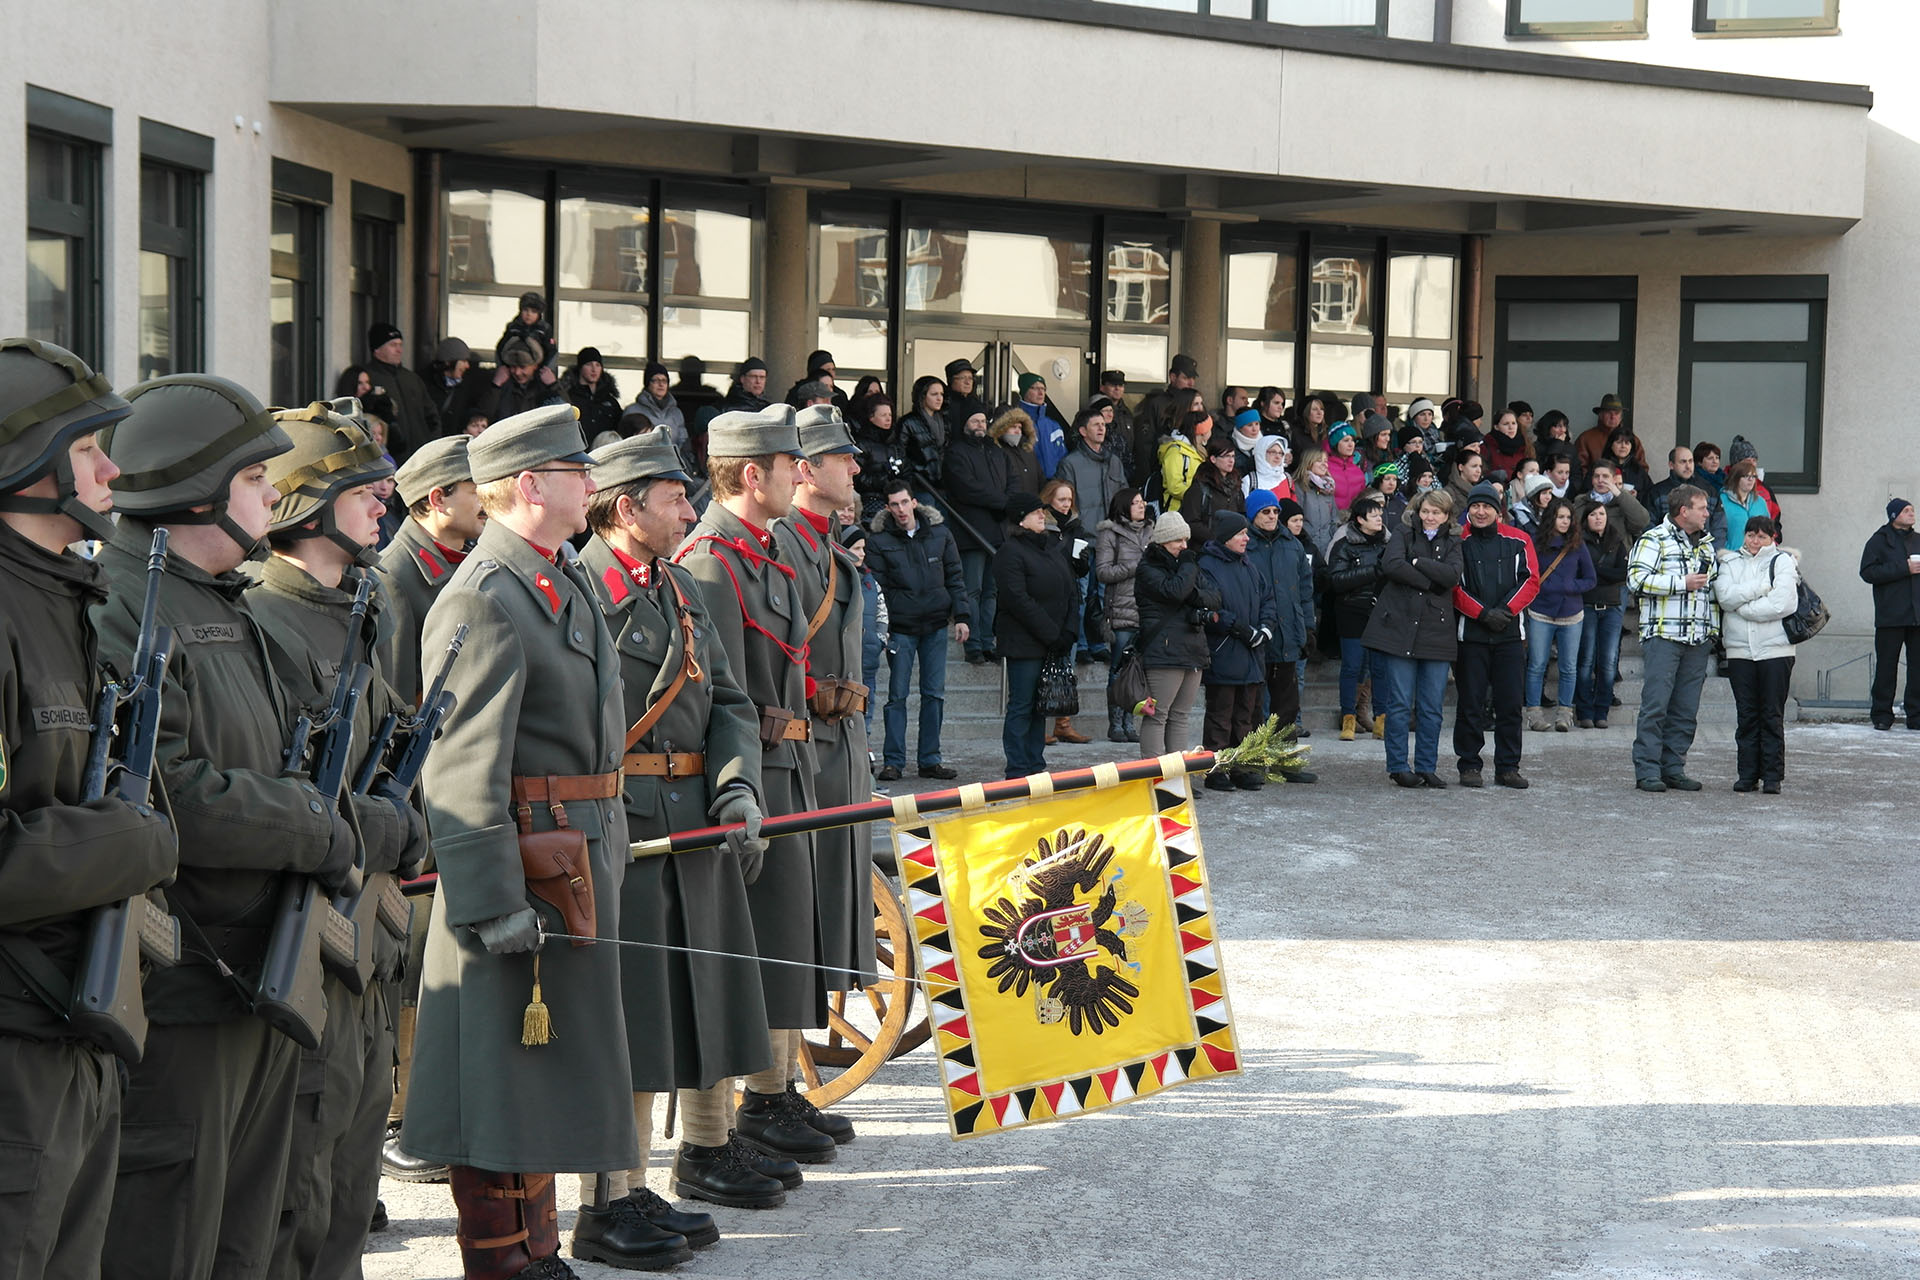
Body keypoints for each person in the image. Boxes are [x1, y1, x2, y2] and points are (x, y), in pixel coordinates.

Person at [94, 374, 351, 1280]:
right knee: (168, 1239)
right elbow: (166, 789)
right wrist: (317, 824)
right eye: (251, 478)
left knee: (252, 1237)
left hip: (261, 974)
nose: (270, 496)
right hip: (185, 990)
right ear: (193, 486)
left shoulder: (219, 599)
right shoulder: (125, 603)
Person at [0, 340, 177, 1280]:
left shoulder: (65, 594)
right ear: (23, 461)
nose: (111, 472)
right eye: (86, 450)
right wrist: (130, 839)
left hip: (80, 1020)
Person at [577, 427, 773, 1261]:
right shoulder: (580, 592)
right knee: (632, 1019)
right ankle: (606, 1200)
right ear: (626, 510)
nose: (689, 513)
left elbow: (728, 702)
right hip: (623, 829)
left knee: (696, 1002)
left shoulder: (678, 587)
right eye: (672, 500)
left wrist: (737, 787)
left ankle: (666, 1172)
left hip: (693, 822)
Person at [249, 404, 430, 1280]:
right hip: (304, 942)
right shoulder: (262, 617)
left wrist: (410, 822)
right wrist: (379, 827)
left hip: (367, 941)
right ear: (305, 506)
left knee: (351, 1190)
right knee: (301, 1195)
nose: (382, 500)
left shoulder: (359, 607)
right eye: (363, 487)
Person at [674, 405, 839, 1179]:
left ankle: (772, 1093)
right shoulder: (711, 561)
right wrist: (735, 788)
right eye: (787, 465)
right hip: (752, 774)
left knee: (783, 937)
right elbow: (716, 700)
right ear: (752, 474)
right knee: (747, 945)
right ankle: (738, 1113)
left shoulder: (760, 550)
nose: (799, 475)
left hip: (787, 763)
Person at [370, 434, 483, 1186]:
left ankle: (431, 1104)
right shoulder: (396, 577)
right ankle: (400, 1117)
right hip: (412, 799)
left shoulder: (449, 565)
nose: (487, 501)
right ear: (437, 499)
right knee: (407, 959)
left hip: (446, 792)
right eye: (474, 490)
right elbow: (393, 703)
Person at [867, 479, 970, 780]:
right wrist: (884, 627)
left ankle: (930, 760)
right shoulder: (879, 541)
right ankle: (893, 762)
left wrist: (962, 616)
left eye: (904, 502)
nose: (900, 509)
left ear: (914, 502)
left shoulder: (941, 534)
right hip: (901, 628)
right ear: (888, 508)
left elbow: (955, 577)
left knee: (934, 694)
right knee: (897, 695)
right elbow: (879, 589)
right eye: (894, 504)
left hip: (936, 625)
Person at [1361, 489, 1462, 787]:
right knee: (1399, 703)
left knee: (1431, 706)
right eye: (1426, 511)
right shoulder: (1403, 533)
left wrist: (1417, 563)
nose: (1429, 517)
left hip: (1436, 633)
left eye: (1436, 512)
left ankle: (1427, 766)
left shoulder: (1454, 540)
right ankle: (1398, 766)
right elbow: (1391, 564)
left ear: (1446, 516)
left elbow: (1452, 575)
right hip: (1399, 627)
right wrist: (1430, 582)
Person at [1628, 485, 1720, 792]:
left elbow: (1711, 593)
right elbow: (1636, 581)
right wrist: (1681, 583)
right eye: (1702, 508)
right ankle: (1647, 770)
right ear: (1684, 511)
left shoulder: (1706, 545)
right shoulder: (1653, 539)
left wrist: (1712, 632)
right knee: (1656, 706)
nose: (1707, 513)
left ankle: (1673, 768)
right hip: (1663, 636)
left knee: (1686, 710)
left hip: (1698, 639)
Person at [1451, 481, 1540, 789]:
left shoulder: (1519, 539)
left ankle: (1508, 767)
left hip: (1510, 635)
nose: (1480, 512)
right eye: (1475, 506)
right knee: (1470, 704)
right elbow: (1454, 587)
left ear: (1498, 511)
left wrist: (1505, 611)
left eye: (1486, 506)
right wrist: (1482, 613)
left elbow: (1531, 580)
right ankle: (1469, 765)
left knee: (1510, 704)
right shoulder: (1458, 542)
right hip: (1471, 636)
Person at [992, 492, 1078, 778]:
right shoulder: (1010, 552)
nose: (1043, 515)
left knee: (1040, 706)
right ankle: (1018, 769)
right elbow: (1018, 599)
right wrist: (1052, 634)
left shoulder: (1050, 547)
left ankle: (1035, 765)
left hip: (1052, 641)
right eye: (1035, 512)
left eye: (1042, 510)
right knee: (1022, 705)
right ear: (1020, 519)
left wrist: (1069, 631)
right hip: (1024, 643)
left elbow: (1070, 590)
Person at [1714, 516, 1798, 793]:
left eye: (1762, 536)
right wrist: (1761, 588)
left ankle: (1772, 776)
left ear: (1772, 538)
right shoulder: (1730, 562)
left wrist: (1744, 609)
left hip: (1776, 650)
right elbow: (1725, 597)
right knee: (1747, 715)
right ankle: (1747, 774)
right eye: (1751, 535)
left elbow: (1782, 603)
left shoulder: (1783, 561)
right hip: (1739, 649)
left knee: (1771, 714)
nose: (1755, 541)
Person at [1198, 512, 1279, 792]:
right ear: (1226, 538)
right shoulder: (1207, 566)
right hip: (1225, 650)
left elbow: (1268, 598)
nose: (1246, 538)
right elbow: (1213, 608)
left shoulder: (1249, 565)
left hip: (1252, 654)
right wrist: (1243, 630)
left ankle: (1242, 767)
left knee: (1246, 715)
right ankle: (1216, 770)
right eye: (1240, 534)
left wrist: (1265, 629)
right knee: (1220, 715)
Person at [1133, 511, 1220, 759]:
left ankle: (1177, 775)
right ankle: (1154, 775)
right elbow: (1175, 591)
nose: (1184, 546)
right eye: (1178, 541)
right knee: (1157, 715)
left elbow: (1214, 597)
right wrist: (1189, 571)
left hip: (1192, 649)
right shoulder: (1149, 568)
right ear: (1162, 541)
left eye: (1185, 540)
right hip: (1163, 652)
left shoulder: (1186, 566)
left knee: (1181, 716)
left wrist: (1192, 593)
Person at [942, 406, 1012, 664]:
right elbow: (966, 488)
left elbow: (1013, 481)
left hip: (998, 531)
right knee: (973, 590)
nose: (980, 425)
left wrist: (1007, 502)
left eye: (983, 420)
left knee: (991, 591)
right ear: (965, 424)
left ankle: (986, 642)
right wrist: (1002, 502)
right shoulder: (956, 453)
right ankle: (972, 645)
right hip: (971, 532)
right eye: (975, 420)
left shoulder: (997, 452)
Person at [1523, 497, 1598, 733]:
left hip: (1571, 613)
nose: (1565, 521)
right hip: (1541, 611)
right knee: (1536, 665)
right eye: (1560, 517)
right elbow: (1527, 574)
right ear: (1551, 518)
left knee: (1568, 667)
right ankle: (1534, 714)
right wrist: (1546, 587)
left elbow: (1591, 579)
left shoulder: (1578, 545)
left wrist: (1570, 586)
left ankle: (1565, 715)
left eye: (1568, 517)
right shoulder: (1536, 543)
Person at [1252, 495, 1319, 745]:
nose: (1272, 516)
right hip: (1256, 635)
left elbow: (1305, 592)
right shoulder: (1244, 543)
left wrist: (1308, 628)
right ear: (1253, 514)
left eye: (1275, 511)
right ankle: (1255, 758)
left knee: (1287, 707)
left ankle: (1284, 757)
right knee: (1254, 707)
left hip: (1288, 633)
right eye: (1265, 511)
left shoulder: (1293, 544)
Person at [1327, 495, 1392, 740]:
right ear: (1360, 520)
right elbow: (1336, 580)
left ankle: (1381, 719)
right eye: (1373, 515)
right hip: (1352, 611)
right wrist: (1372, 571)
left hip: (1381, 612)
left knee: (1380, 668)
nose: (1379, 519)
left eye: (1380, 514)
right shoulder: (1344, 545)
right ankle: (1348, 718)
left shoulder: (1389, 544)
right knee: (1352, 667)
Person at [1095, 488, 1154, 743]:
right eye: (1136, 502)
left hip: (1148, 610)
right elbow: (1103, 572)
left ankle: (1130, 722)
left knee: (1139, 671)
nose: (1142, 506)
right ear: (1123, 506)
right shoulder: (1110, 534)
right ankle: (1116, 723)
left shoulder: (1151, 530)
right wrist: (1136, 566)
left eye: (1142, 501)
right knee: (1119, 669)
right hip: (1121, 610)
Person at [1040, 479, 1097, 737]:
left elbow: (1080, 571)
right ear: (1049, 499)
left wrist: (1083, 562)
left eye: (1069, 499)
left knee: (1067, 665)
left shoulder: (1076, 527)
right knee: (1042, 666)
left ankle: (1063, 723)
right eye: (1061, 499)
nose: (1066, 504)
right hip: (1045, 599)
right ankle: (1039, 725)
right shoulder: (1042, 525)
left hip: (1069, 599)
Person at [1859, 497, 1920, 730]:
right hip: (1890, 615)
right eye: (1906, 510)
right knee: (1886, 668)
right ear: (1894, 516)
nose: (1911, 513)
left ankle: (1916, 715)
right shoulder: (1879, 541)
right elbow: (1867, 572)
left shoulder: (1918, 540)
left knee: (1918, 669)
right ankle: (1882, 715)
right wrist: (1904, 567)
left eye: (1912, 510)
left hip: (1917, 615)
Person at [1572, 500, 1631, 730]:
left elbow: (1623, 573)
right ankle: (1584, 711)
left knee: (1608, 661)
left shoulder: (1616, 540)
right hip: (1586, 605)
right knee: (1585, 660)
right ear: (1585, 518)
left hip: (1612, 606)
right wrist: (1603, 574)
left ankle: (1602, 711)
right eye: (1593, 514)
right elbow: (1579, 572)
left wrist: (1596, 572)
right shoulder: (1578, 542)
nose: (1598, 518)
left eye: (1602, 514)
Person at [363, 323, 442, 463]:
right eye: (393, 345)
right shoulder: (366, 378)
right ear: (377, 349)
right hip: (387, 459)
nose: (399, 350)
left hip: (420, 457)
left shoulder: (412, 379)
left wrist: (431, 443)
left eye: (400, 345)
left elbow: (432, 415)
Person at [1058, 404, 1128, 539]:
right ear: (1083, 431)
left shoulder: (1114, 461)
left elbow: (1124, 498)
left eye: (1103, 425)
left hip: (1114, 538)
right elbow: (1065, 505)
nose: (1101, 428)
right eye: (1096, 425)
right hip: (1085, 539)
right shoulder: (1069, 464)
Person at [487, 335, 566, 424]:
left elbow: (567, 415)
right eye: (513, 367)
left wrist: (554, 385)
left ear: (535, 366)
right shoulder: (502, 386)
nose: (517, 372)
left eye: (522, 367)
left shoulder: (544, 387)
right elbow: (484, 415)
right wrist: (495, 386)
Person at [850, 392, 904, 522]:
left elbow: (906, 469)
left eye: (890, 415)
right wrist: (883, 481)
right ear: (871, 417)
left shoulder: (895, 443)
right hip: (870, 503)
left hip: (896, 500)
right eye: (883, 415)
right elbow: (857, 477)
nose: (888, 419)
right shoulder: (861, 444)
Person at [1133, 353, 1200, 453]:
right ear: (1173, 377)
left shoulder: (1196, 403)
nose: (1191, 383)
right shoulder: (1156, 404)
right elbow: (1145, 443)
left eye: (1193, 378)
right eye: (1186, 378)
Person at [897, 375, 947, 502]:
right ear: (922, 396)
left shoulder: (945, 421)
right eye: (934, 394)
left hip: (942, 484)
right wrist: (911, 478)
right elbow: (899, 453)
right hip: (919, 485)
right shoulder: (907, 422)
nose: (939, 398)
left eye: (941, 394)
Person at [622, 361, 689, 454]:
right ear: (647, 383)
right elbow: (625, 444)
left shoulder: (676, 413)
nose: (661, 384)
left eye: (664, 380)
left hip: (672, 460)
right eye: (656, 380)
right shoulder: (632, 411)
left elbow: (683, 441)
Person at [564, 347, 624, 446]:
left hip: (604, 452)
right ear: (580, 368)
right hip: (577, 452)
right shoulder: (569, 398)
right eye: (588, 364)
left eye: (598, 365)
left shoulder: (610, 401)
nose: (594, 369)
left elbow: (620, 429)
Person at [1016, 373, 1069, 478]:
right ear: (1024, 391)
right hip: (1028, 483)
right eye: (1035, 388)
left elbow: (1063, 459)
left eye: (1043, 389)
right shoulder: (1016, 424)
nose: (1041, 393)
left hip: (1054, 484)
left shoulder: (1054, 426)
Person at [1576, 394, 1643, 474]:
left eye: (1616, 413)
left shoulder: (1632, 440)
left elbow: (1642, 470)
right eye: (1608, 412)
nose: (1613, 417)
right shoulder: (1585, 439)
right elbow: (1579, 470)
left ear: (1621, 417)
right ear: (1600, 415)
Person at [1159, 410, 1210, 515]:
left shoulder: (1199, 450)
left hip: (1194, 509)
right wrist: (1199, 495)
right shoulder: (1175, 452)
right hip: (1178, 512)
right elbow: (1175, 487)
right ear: (1203, 432)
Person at [1293, 447, 1336, 554]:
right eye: (1319, 461)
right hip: (1306, 545)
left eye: (1325, 461)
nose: (1324, 464)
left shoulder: (1328, 487)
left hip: (1327, 546)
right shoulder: (1299, 486)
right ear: (1308, 463)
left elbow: (1334, 519)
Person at [995, 406, 1043, 503]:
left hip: (1032, 507)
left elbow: (1041, 480)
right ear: (1001, 427)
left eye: (1020, 427)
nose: (1017, 431)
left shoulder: (1028, 450)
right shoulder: (995, 452)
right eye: (1013, 426)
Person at [1720, 458, 1770, 549]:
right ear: (1736, 478)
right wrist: (1727, 550)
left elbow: (1768, 531)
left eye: (1754, 476)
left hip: (1758, 554)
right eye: (1746, 476)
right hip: (1731, 554)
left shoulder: (1760, 502)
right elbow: (1717, 531)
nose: (1751, 479)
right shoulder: (1721, 500)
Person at [1483, 407, 1532, 481]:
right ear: (1496, 427)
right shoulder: (1487, 445)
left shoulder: (1525, 445)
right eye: (1506, 424)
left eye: (1513, 423)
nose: (1511, 427)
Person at [943, 358, 989, 436]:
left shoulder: (976, 404)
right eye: (962, 378)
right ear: (951, 380)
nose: (967, 382)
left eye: (970, 378)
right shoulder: (944, 403)